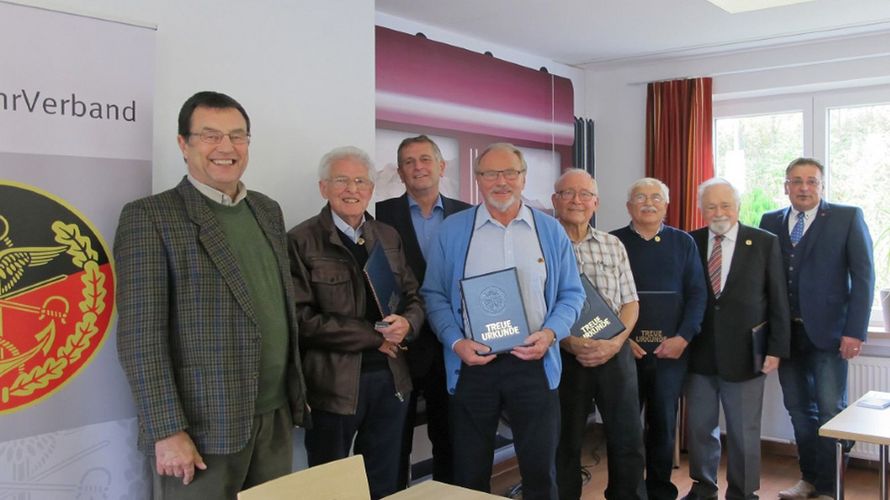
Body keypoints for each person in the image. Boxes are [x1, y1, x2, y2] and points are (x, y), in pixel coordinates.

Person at [115, 91, 309, 499]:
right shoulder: (150, 217)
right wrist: (167, 430)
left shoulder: (266, 209)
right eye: (210, 136)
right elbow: (140, 339)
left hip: (274, 415)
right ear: (183, 144)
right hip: (203, 430)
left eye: (238, 136)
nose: (226, 148)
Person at [421, 143, 584, 500]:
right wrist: (455, 342)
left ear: (523, 178)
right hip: (472, 366)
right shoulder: (453, 231)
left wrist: (551, 334)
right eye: (490, 173)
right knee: (470, 472)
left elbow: (572, 295)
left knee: (541, 473)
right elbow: (432, 295)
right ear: (477, 179)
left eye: (510, 172)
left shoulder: (550, 231)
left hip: (535, 364)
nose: (501, 181)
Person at [288, 146, 425, 499]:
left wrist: (407, 324)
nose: (352, 189)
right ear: (323, 187)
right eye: (341, 180)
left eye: (361, 181)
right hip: (333, 388)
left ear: (371, 188)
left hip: (392, 379)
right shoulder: (300, 241)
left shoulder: (388, 236)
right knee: (329, 486)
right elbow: (301, 319)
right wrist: (373, 337)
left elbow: (415, 297)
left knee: (385, 480)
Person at [759, 158, 874, 500]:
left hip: (830, 335)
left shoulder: (847, 217)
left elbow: (864, 277)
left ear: (822, 185)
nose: (804, 187)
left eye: (811, 181)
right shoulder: (770, 222)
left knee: (830, 410)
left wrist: (855, 331)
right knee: (798, 410)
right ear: (786, 186)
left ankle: (830, 486)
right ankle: (809, 479)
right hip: (786, 336)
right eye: (796, 181)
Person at [683, 177, 790, 500]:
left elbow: (778, 299)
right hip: (699, 354)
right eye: (711, 205)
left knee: (744, 432)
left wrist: (776, 348)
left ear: (738, 207)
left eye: (726, 204)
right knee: (700, 429)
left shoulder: (763, 242)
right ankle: (704, 487)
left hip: (747, 355)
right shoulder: (689, 241)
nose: (719, 212)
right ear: (701, 209)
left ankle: (744, 492)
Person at [375, 135, 471, 487]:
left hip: (454, 345)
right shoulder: (380, 215)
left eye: (425, 159)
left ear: (441, 166)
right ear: (400, 172)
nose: (418, 167)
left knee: (451, 440)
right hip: (400, 346)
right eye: (409, 162)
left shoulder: (468, 215)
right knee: (393, 442)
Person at [551, 169, 647, 500]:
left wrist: (616, 343)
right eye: (567, 193)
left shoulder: (612, 244)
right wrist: (569, 341)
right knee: (564, 441)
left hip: (614, 351)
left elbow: (631, 302)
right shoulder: (543, 246)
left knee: (628, 437)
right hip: (564, 354)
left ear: (596, 202)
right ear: (555, 201)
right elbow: (536, 308)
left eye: (584, 194)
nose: (576, 200)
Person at [612, 177, 707, 500]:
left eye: (656, 197)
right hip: (623, 351)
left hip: (671, 353)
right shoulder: (613, 242)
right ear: (629, 206)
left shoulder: (683, 243)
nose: (648, 203)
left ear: (666, 206)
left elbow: (697, 294)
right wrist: (620, 339)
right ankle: (625, 491)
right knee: (623, 427)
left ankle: (660, 492)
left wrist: (683, 337)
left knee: (663, 425)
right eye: (640, 197)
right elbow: (598, 298)